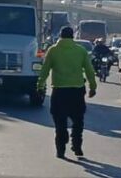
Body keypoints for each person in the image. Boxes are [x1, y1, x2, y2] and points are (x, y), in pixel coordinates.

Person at [37, 26, 98, 158]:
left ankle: (61, 148)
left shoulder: (53, 51)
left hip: (59, 91)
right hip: (77, 91)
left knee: (60, 121)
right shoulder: (81, 51)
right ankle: (77, 145)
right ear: (72, 37)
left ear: (60, 36)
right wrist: (93, 87)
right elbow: (89, 71)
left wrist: (40, 86)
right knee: (78, 120)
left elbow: (45, 70)